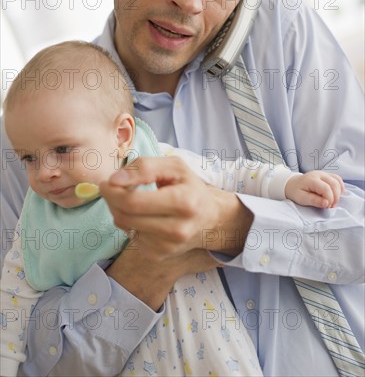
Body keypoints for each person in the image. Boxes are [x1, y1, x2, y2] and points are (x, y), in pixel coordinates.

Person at [0, 0, 363, 376]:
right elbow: (36, 359)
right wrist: (144, 269)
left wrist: (230, 223)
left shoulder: (284, 35)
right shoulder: (36, 136)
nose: (189, 2)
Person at [0, 41, 344, 377]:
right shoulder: (36, 224)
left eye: (62, 148)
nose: (45, 172)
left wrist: (286, 184)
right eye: (28, 158)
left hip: (212, 344)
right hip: (128, 356)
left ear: (121, 136)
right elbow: (11, 304)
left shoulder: (157, 162)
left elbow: (232, 174)